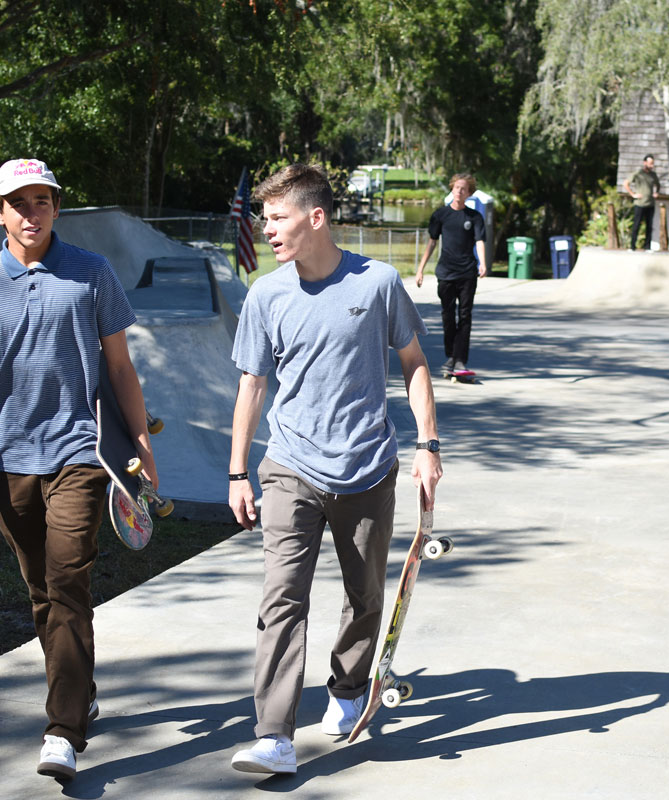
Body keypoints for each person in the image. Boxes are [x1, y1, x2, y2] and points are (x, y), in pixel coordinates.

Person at [0, 158, 156, 781]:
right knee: (43, 593)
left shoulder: (91, 273)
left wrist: (140, 440)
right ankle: (80, 687)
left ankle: (64, 730)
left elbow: (122, 368)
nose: (32, 213)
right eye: (18, 202)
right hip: (10, 458)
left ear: (56, 207)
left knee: (68, 581)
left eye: (43, 201)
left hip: (82, 451)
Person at [227, 163, 442, 775]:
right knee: (281, 598)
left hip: (368, 468)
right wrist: (238, 472)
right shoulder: (265, 295)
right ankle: (274, 736)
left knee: (365, 594)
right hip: (289, 465)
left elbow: (415, 362)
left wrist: (428, 444)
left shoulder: (377, 282)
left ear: (314, 217)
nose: (266, 229)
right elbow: (251, 386)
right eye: (263, 219)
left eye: (276, 218)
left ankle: (348, 690)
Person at [414, 173, 487, 377]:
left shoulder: (474, 217)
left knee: (465, 316)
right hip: (446, 272)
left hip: (467, 273)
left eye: (464, 189)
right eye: (456, 188)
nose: (459, 192)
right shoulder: (440, 215)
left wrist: (482, 262)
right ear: (452, 189)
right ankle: (451, 356)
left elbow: (480, 241)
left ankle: (460, 360)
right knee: (448, 316)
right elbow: (432, 242)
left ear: (469, 193)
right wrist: (420, 269)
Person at [623, 154, 661, 251]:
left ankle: (647, 247)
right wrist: (633, 194)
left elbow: (658, 185)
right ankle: (632, 247)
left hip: (650, 204)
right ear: (645, 163)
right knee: (636, 225)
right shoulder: (638, 173)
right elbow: (626, 183)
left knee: (649, 226)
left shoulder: (653, 175)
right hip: (639, 204)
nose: (652, 165)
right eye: (650, 163)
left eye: (653, 163)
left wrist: (656, 193)